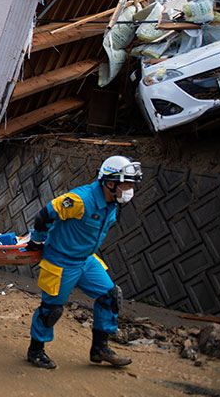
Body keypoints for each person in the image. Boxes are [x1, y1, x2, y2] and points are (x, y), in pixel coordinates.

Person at [26, 156, 142, 370]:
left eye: (131, 184)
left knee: (110, 296)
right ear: (109, 182)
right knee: (51, 310)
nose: (130, 189)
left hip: (86, 260)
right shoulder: (80, 200)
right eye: (126, 184)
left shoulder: (112, 202)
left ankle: (99, 349)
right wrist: (37, 240)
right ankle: (35, 350)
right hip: (61, 260)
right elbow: (44, 216)